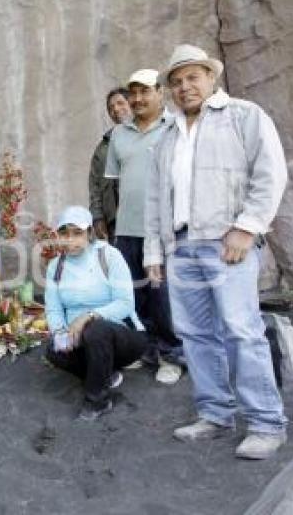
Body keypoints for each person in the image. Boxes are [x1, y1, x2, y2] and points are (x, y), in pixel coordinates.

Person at [145, 44, 288, 459]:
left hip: (228, 244)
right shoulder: (166, 137)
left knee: (242, 331)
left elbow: (270, 174)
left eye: (193, 77)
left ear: (211, 77)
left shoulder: (244, 116)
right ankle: (216, 414)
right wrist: (155, 254)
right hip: (182, 247)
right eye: (176, 80)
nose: (185, 86)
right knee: (194, 335)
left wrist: (246, 229)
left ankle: (266, 424)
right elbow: (156, 201)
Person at [105, 69, 183, 385]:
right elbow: (111, 185)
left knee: (161, 296)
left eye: (145, 91)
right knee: (132, 295)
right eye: (133, 92)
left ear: (160, 93)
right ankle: (139, 350)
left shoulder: (175, 128)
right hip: (126, 229)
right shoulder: (119, 135)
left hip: (163, 231)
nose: (137, 99)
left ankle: (170, 355)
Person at [44, 206, 147, 421]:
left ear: (89, 233)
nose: (70, 240)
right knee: (53, 350)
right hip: (83, 339)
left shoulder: (108, 255)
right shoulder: (56, 266)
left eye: (77, 233)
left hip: (122, 334)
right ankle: (104, 374)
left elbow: (126, 303)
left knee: (95, 330)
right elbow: (53, 308)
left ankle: (97, 400)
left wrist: (88, 316)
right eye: (64, 233)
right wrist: (61, 332)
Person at [89, 88, 130, 242]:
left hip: (143, 218)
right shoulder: (103, 147)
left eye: (120, 103)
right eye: (111, 108)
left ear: (131, 103)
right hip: (115, 222)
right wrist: (97, 217)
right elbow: (94, 185)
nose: (116, 109)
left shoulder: (148, 135)